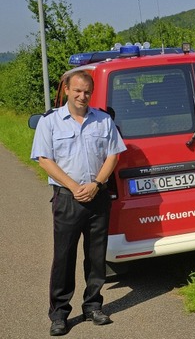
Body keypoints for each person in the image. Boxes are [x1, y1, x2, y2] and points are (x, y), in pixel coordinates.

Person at [31, 70, 126, 336]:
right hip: (67, 199)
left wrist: (96, 184)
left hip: (97, 196)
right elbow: (43, 159)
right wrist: (74, 187)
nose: (82, 96)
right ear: (67, 90)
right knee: (64, 257)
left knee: (96, 257)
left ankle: (93, 306)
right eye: (77, 91)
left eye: (86, 91)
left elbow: (113, 155)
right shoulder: (50, 122)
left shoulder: (103, 120)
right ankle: (60, 314)